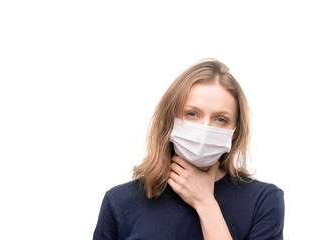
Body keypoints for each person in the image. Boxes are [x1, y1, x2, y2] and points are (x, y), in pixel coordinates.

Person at [93, 59, 285, 240]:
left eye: (220, 119)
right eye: (192, 114)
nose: (205, 128)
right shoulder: (120, 202)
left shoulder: (262, 201)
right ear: (170, 120)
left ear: (235, 131)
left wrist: (206, 204)